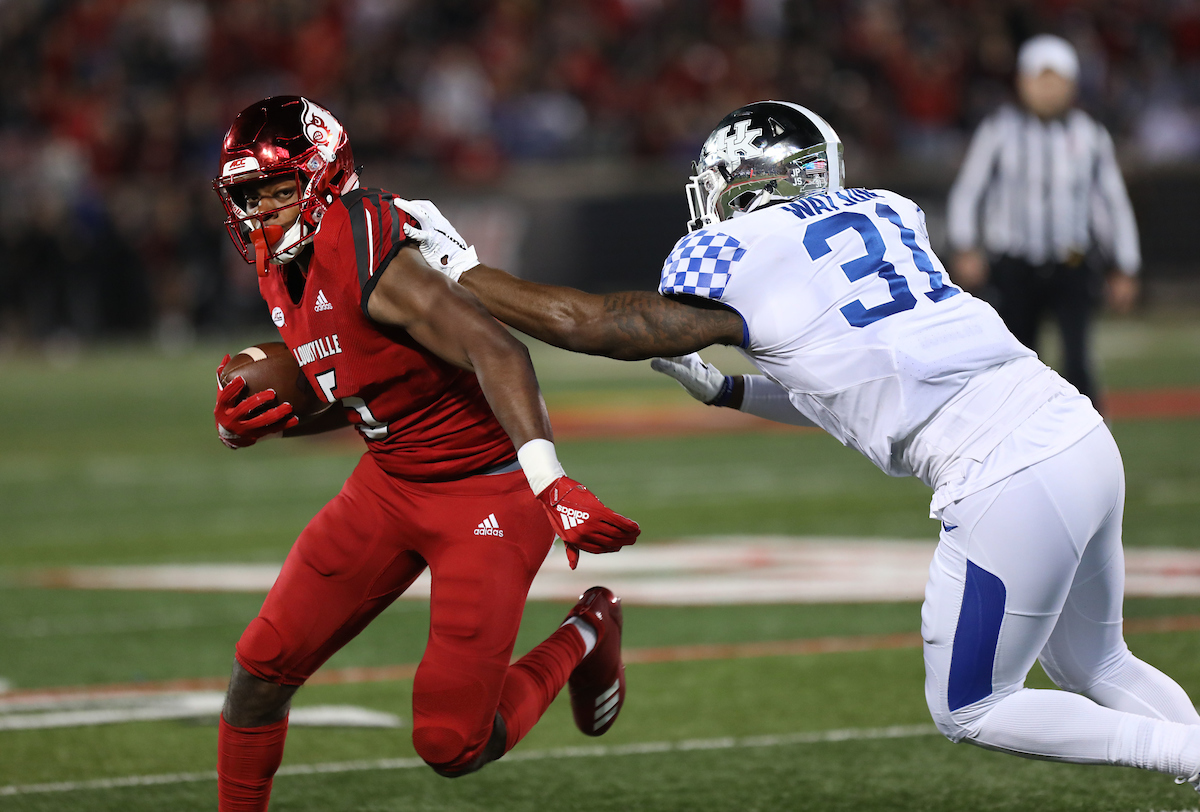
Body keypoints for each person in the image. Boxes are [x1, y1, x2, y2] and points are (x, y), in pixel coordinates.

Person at [400, 100, 1200, 792]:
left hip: (1007, 476)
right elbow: (852, 386)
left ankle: (1186, 756)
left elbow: (603, 324)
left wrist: (463, 269)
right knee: (1096, 664)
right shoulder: (888, 210)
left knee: (973, 707)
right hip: (1076, 434)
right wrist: (729, 388)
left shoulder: (742, 253)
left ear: (751, 182)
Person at [208, 96, 639, 812]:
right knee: (260, 669)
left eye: (277, 190)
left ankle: (589, 632)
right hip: (389, 480)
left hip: (488, 493)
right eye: (248, 195)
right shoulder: (283, 262)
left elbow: (495, 347)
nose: (261, 211)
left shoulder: (361, 242)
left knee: (451, 744)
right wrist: (254, 424)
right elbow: (355, 387)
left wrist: (550, 480)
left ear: (322, 178)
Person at [947, 34, 1141, 409]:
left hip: (1072, 262)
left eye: (1055, 80)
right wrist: (965, 245)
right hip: (1014, 264)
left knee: (1078, 359)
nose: (1047, 90)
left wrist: (1125, 266)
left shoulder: (1090, 135)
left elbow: (1112, 203)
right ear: (1023, 82)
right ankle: (1011, 438)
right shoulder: (1000, 130)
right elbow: (969, 190)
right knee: (1013, 359)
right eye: (1039, 79)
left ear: (1070, 84)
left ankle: (1090, 442)